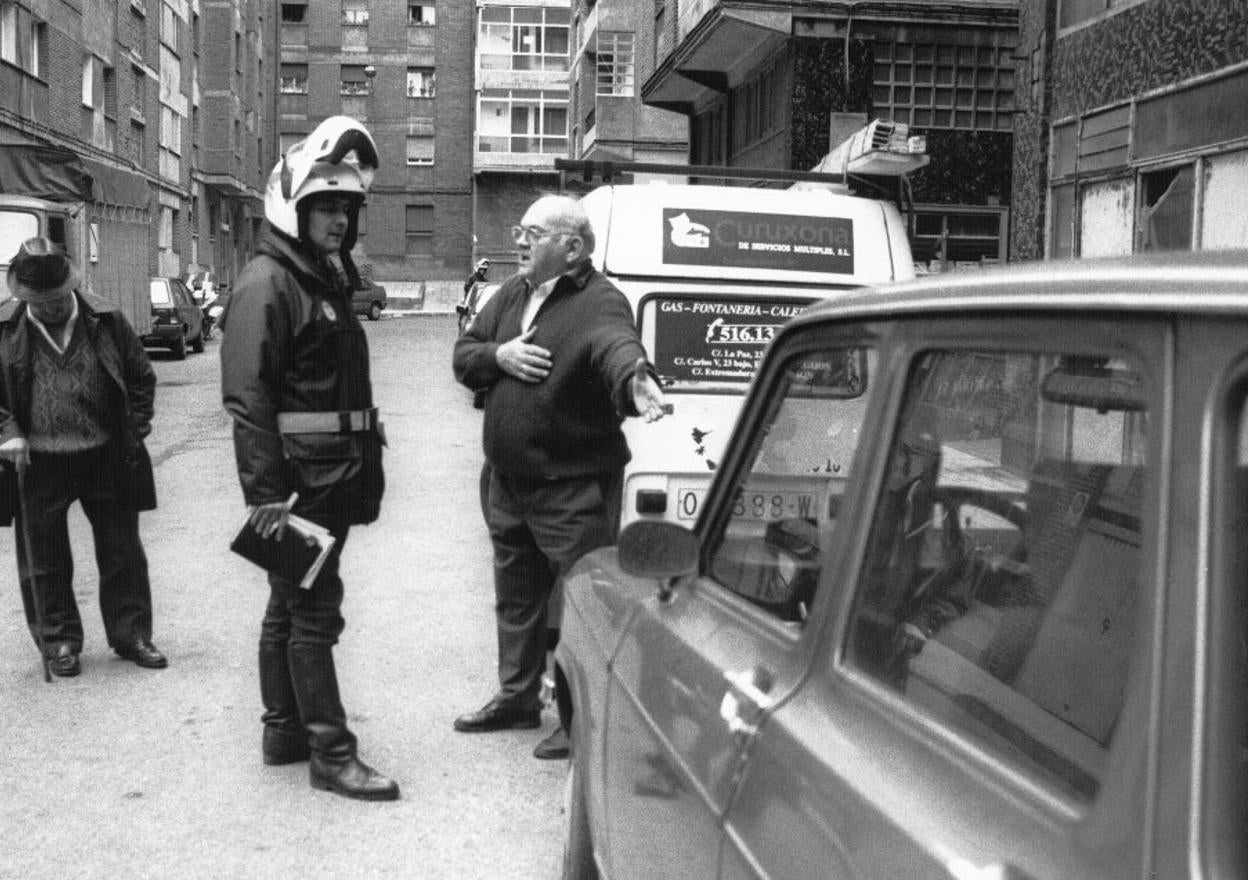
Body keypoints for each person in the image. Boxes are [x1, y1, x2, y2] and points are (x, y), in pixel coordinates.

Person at [452, 195, 667, 759]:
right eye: (521, 230)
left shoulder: (600, 302)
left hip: (572, 487)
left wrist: (636, 379)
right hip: (508, 482)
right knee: (516, 600)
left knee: (584, 607)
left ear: (571, 247)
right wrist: (498, 357)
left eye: (534, 232)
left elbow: (615, 347)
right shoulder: (512, 294)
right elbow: (464, 353)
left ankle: (580, 719)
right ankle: (518, 698)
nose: (519, 240)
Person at [221, 116, 398, 801]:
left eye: (348, 211)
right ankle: (331, 753)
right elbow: (247, 395)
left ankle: (284, 731)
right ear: (294, 207)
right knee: (314, 612)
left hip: (329, 471)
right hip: (302, 482)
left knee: (286, 605)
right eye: (326, 207)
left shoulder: (316, 277)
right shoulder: (271, 281)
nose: (338, 222)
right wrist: (264, 493)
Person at [0, 237, 165, 677]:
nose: (50, 308)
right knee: (43, 561)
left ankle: (131, 635)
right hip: (37, 463)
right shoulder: (5, 327)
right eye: (40, 301)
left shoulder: (106, 320)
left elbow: (141, 378)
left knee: (122, 552)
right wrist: (8, 432)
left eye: (56, 299)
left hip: (105, 455)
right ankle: (59, 643)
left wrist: (134, 430)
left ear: (71, 286)